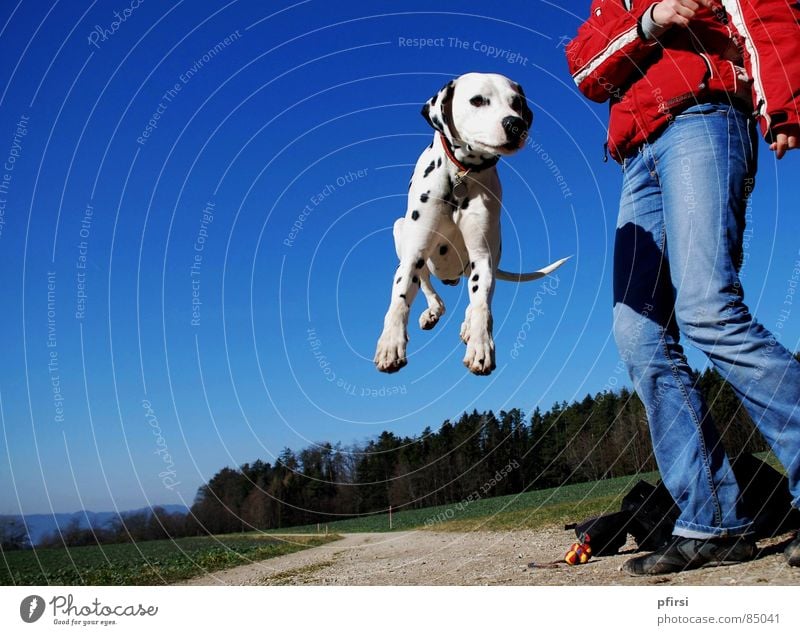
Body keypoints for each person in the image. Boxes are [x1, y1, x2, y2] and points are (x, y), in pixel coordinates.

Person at [566, 0, 800, 575]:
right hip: (635, 157)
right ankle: (713, 520)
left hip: (702, 119)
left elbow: (763, 9)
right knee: (638, 335)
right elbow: (586, 70)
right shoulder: (610, 5)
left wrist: (785, 99)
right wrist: (651, 20)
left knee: (706, 310)